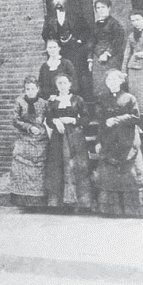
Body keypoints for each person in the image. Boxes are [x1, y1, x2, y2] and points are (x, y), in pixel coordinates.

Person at [92, 70, 143, 217]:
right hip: (110, 141)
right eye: (108, 80)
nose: (111, 83)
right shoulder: (102, 99)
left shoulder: (129, 98)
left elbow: (136, 117)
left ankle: (132, 210)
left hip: (127, 141)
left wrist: (117, 119)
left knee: (129, 174)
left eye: (114, 80)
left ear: (121, 81)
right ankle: (112, 210)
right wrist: (98, 141)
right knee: (110, 175)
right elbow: (101, 123)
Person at [44, 73, 92, 211]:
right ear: (56, 85)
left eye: (65, 83)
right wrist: (55, 121)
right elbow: (48, 119)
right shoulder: (52, 102)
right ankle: (59, 204)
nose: (62, 86)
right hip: (58, 138)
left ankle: (80, 203)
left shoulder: (78, 99)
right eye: (60, 83)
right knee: (58, 166)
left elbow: (86, 119)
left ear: (70, 84)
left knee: (76, 167)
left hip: (75, 138)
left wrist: (73, 120)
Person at [42, 0, 90, 98]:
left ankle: (75, 101)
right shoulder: (50, 17)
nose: (58, 0)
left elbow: (86, 31)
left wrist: (78, 41)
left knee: (74, 75)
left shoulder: (75, 15)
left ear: (65, 0)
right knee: (57, 75)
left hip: (74, 51)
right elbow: (44, 34)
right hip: (58, 52)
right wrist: (53, 43)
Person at [9, 76, 49, 208]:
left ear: (38, 89)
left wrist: (41, 130)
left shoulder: (44, 103)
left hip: (40, 139)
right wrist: (29, 127)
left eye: (33, 88)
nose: (30, 91)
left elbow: (48, 119)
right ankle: (23, 201)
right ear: (24, 90)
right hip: (24, 138)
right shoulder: (19, 101)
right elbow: (15, 120)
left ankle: (39, 202)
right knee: (21, 167)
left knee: (39, 169)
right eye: (28, 89)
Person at [87, 0, 125, 98]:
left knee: (112, 83)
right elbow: (91, 42)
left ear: (109, 8)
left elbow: (118, 41)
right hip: (97, 59)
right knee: (99, 86)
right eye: (98, 8)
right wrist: (90, 59)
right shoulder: (95, 25)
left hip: (111, 59)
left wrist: (107, 53)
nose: (100, 10)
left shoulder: (115, 24)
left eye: (103, 7)